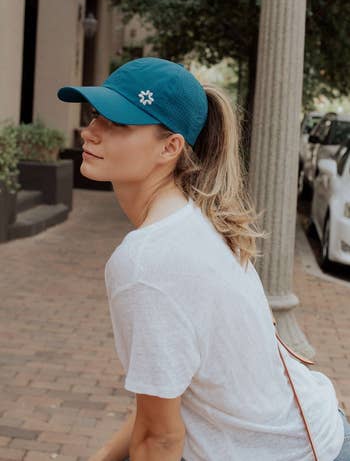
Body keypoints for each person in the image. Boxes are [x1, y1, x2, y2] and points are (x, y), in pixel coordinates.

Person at [57, 57, 348, 461]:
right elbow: (166, 392)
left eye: (118, 122)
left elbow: (159, 440)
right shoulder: (195, 220)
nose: (90, 131)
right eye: (95, 115)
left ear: (170, 147)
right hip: (316, 433)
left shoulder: (147, 262)